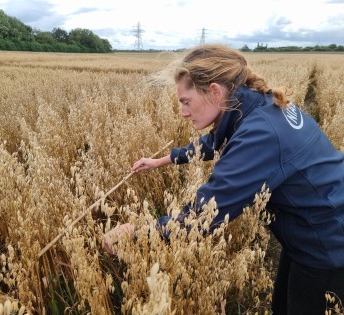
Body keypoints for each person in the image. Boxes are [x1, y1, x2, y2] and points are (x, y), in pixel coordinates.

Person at [102, 44, 344, 314]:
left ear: (215, 91)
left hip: (328, 243)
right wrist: (164, 160)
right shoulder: (256, 106)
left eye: (186, 101)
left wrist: (136, 234)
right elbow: (217, 140)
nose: (182, 112)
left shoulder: (260, 135)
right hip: (312, 228)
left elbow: (203, 216)